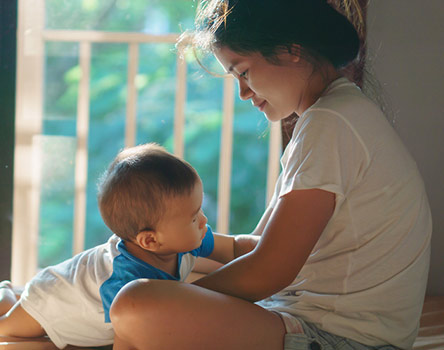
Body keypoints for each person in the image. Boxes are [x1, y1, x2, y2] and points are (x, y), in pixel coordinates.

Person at [109, 1, 432, 350]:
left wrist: (175, 298)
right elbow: (259, 247)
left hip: (340, 338)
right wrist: (183, 254)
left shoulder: (331, 122)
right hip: (311, 321)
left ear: (291, 50)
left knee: (135, 304)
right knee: (175, 269)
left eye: (243, 72)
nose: (243, 93)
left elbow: (270, 270)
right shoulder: (333, 115)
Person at [0, 143, 255, 349]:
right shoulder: (126, 282)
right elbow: (128, 334)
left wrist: (276, 249)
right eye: (194, 217)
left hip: (76, 279)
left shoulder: (185, 237)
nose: (204, 221)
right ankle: (3, 291)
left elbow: (234, 248)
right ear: (150, 240)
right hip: (53, 296)